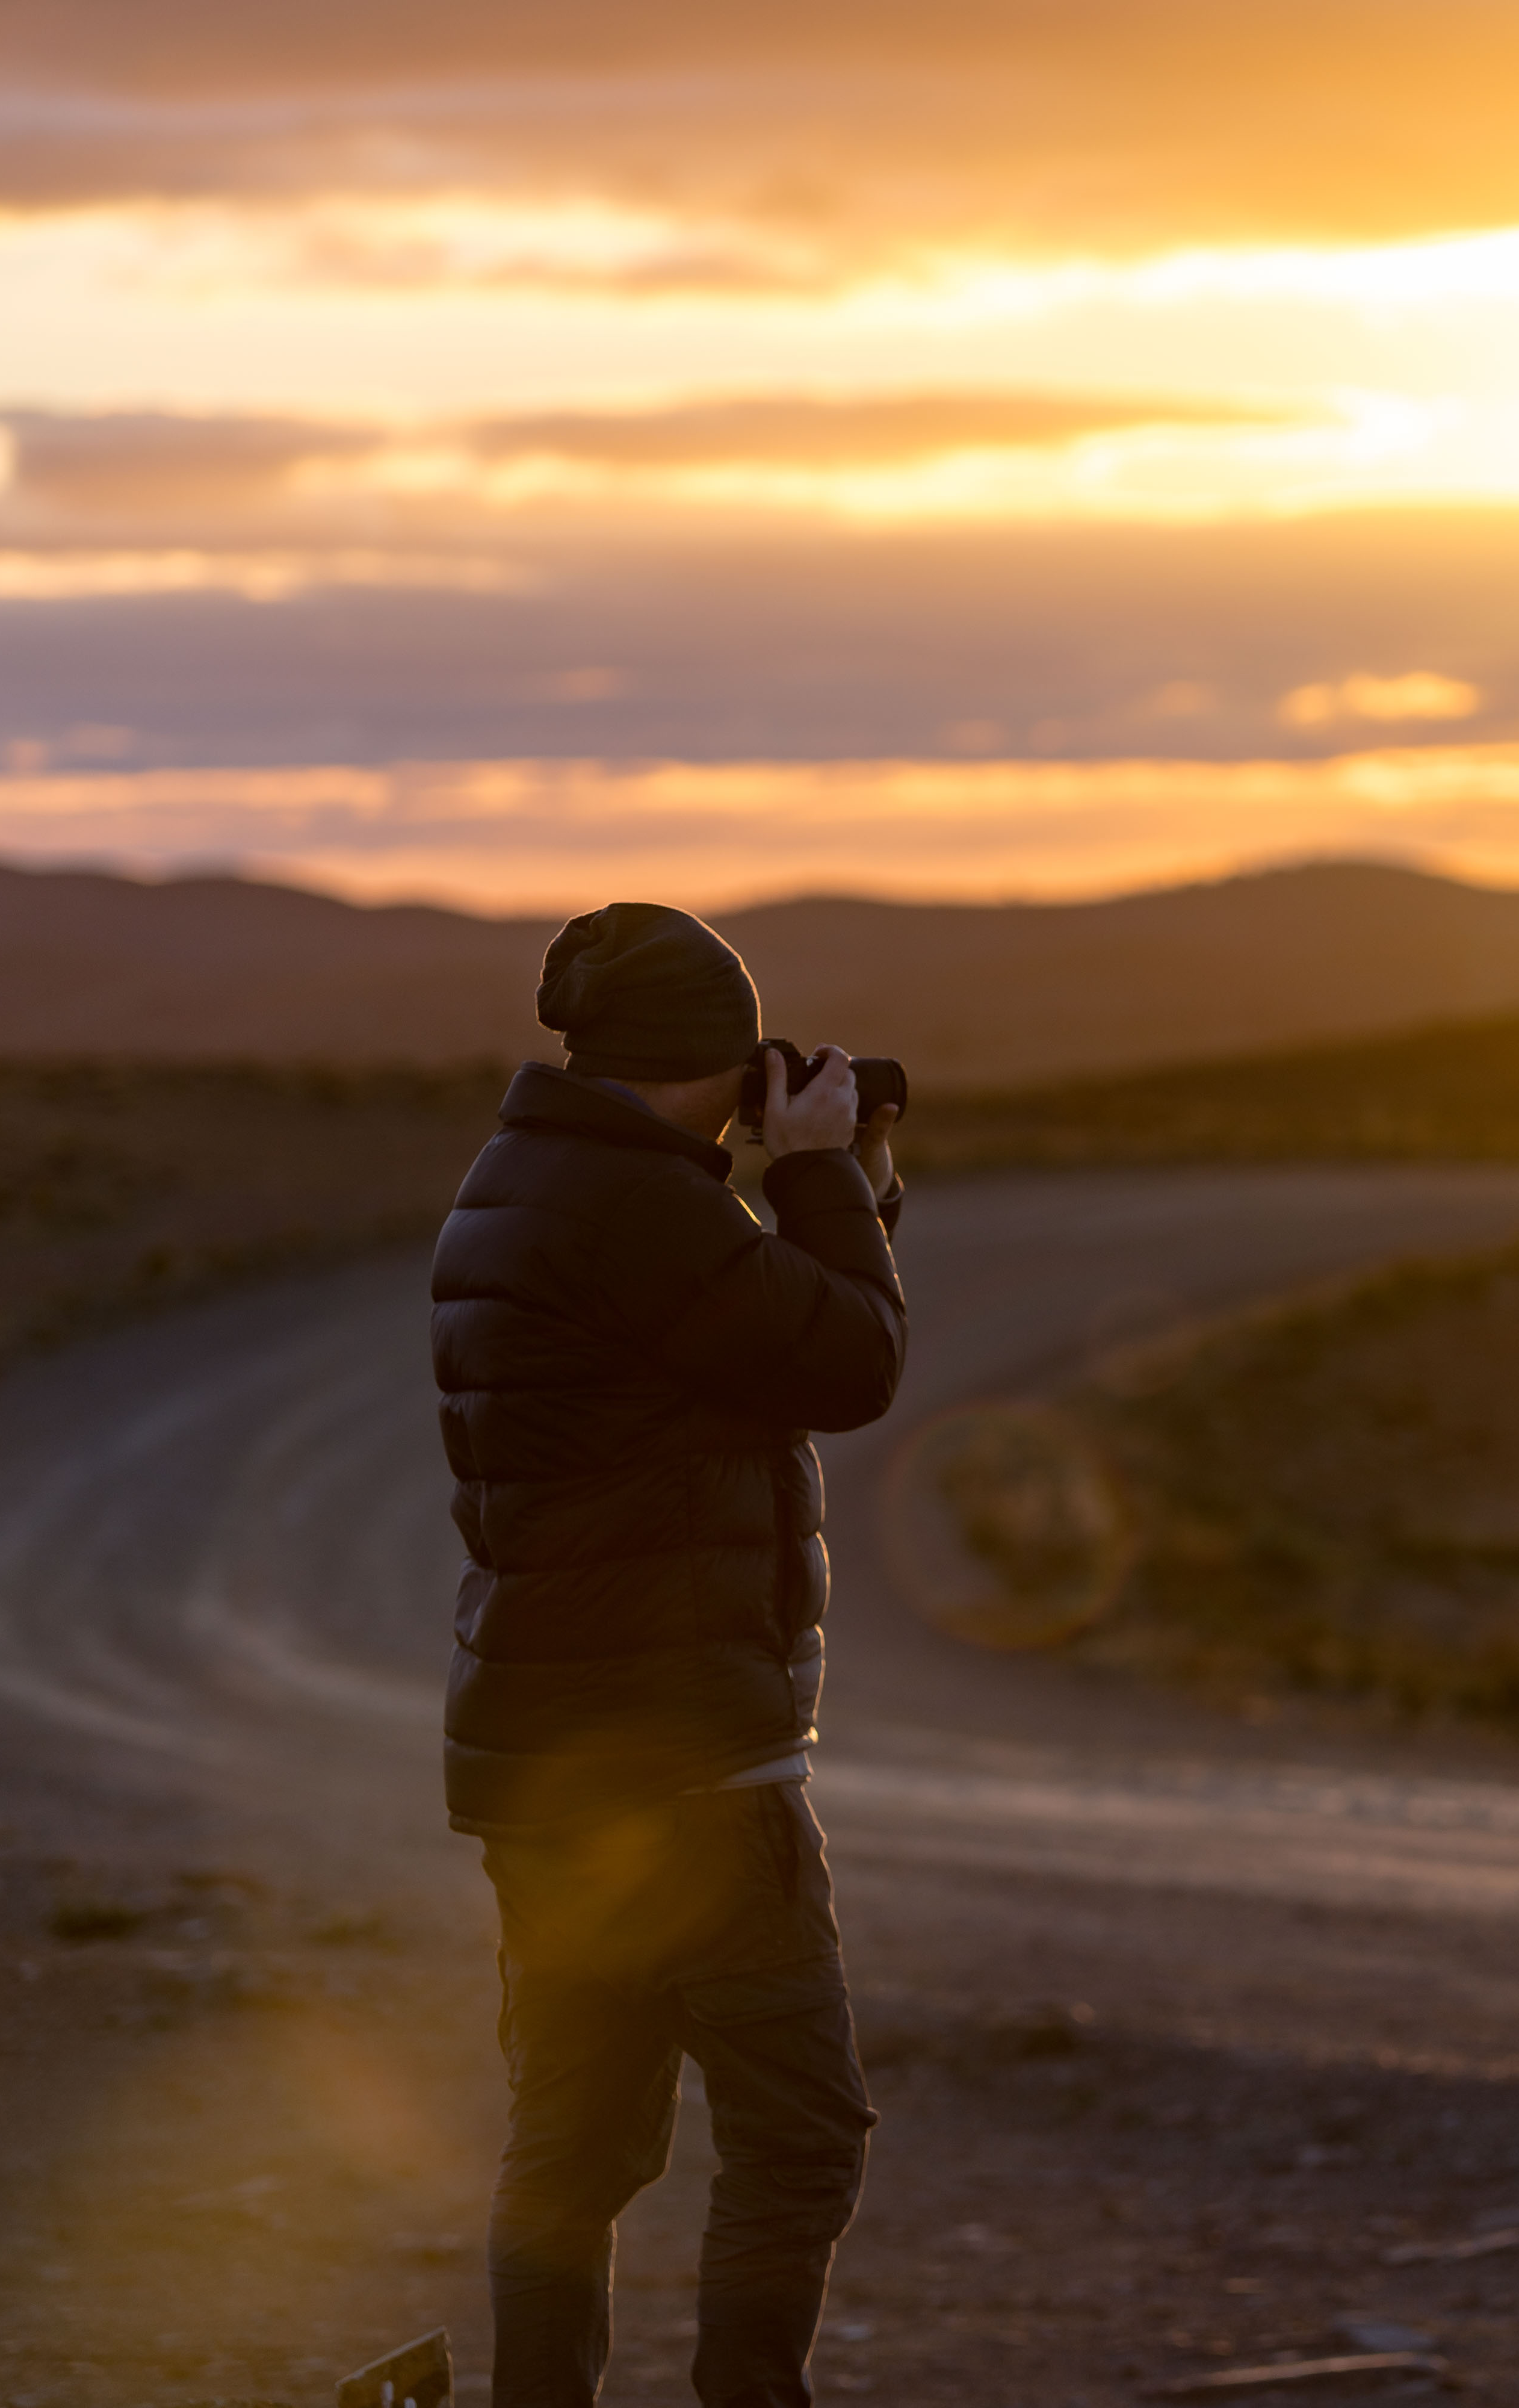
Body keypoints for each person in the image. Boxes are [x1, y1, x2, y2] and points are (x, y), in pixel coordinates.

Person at [430, 900, 907, 2408]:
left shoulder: (527, 1182)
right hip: (690, 1763)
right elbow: (848, 1365)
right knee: (800, 2129)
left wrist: (848, 1203)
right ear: (709, 1055)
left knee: (576, 2142)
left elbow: (744, 1342)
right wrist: (817, 1172)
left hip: (550, 1768)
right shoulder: (640, 1209)